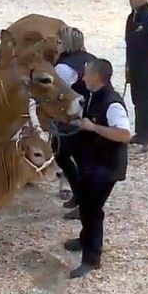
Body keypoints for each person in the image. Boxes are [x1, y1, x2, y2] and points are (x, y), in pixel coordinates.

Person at [64, 58, 130, 279]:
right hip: (91, 164)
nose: (83, 77)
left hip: (105, 168)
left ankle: (92, 258)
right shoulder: (92, 96)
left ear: (98, 77)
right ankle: (84, 240)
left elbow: (124, 134)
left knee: (93, 212)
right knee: (85, 205)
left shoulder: (112, 104)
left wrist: (93, 127)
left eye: (87, 74)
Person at [53, 27, 98, 220]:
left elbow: (56, 92)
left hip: (74, 118)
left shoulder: (64, 67)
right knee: (70, 157)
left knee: (67, 156)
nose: (57, 45)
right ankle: (79, 196)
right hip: (89, 112)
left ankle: (84, 202)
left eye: (59, 42)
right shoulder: (90, 58)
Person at [125, 0, 148, 147]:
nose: (130, 0)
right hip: (136, 66)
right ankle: (141, 132)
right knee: (137, 99)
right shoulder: (132, 17)